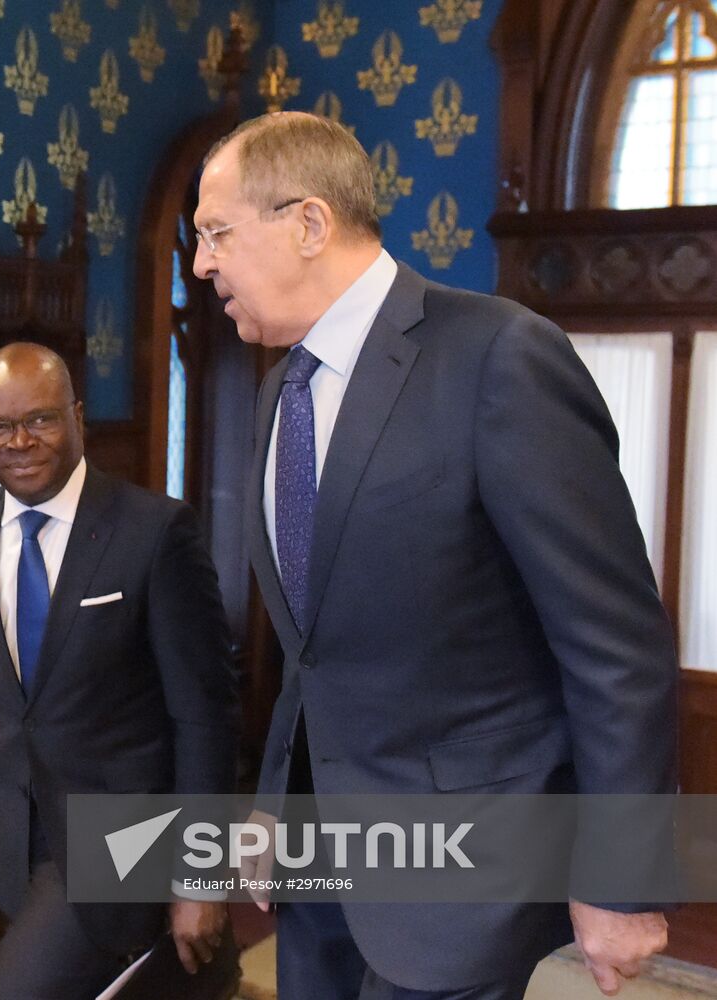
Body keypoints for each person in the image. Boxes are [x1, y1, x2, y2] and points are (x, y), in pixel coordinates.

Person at [191, 111, 678, 999]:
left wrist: (621, 878)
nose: (201, 265)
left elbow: (617, 648)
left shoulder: (497, 357)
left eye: (216, 233)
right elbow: (311, 647)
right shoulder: (278, 395)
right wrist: (270, 802)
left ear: (307, 224)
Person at [0, 343, 241, 999]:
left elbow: (204, 717)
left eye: (40, 420)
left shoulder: (155, 531)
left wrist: (201, 875)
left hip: (126, 841)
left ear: (77, 416)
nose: (18, 442)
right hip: (16, 839)